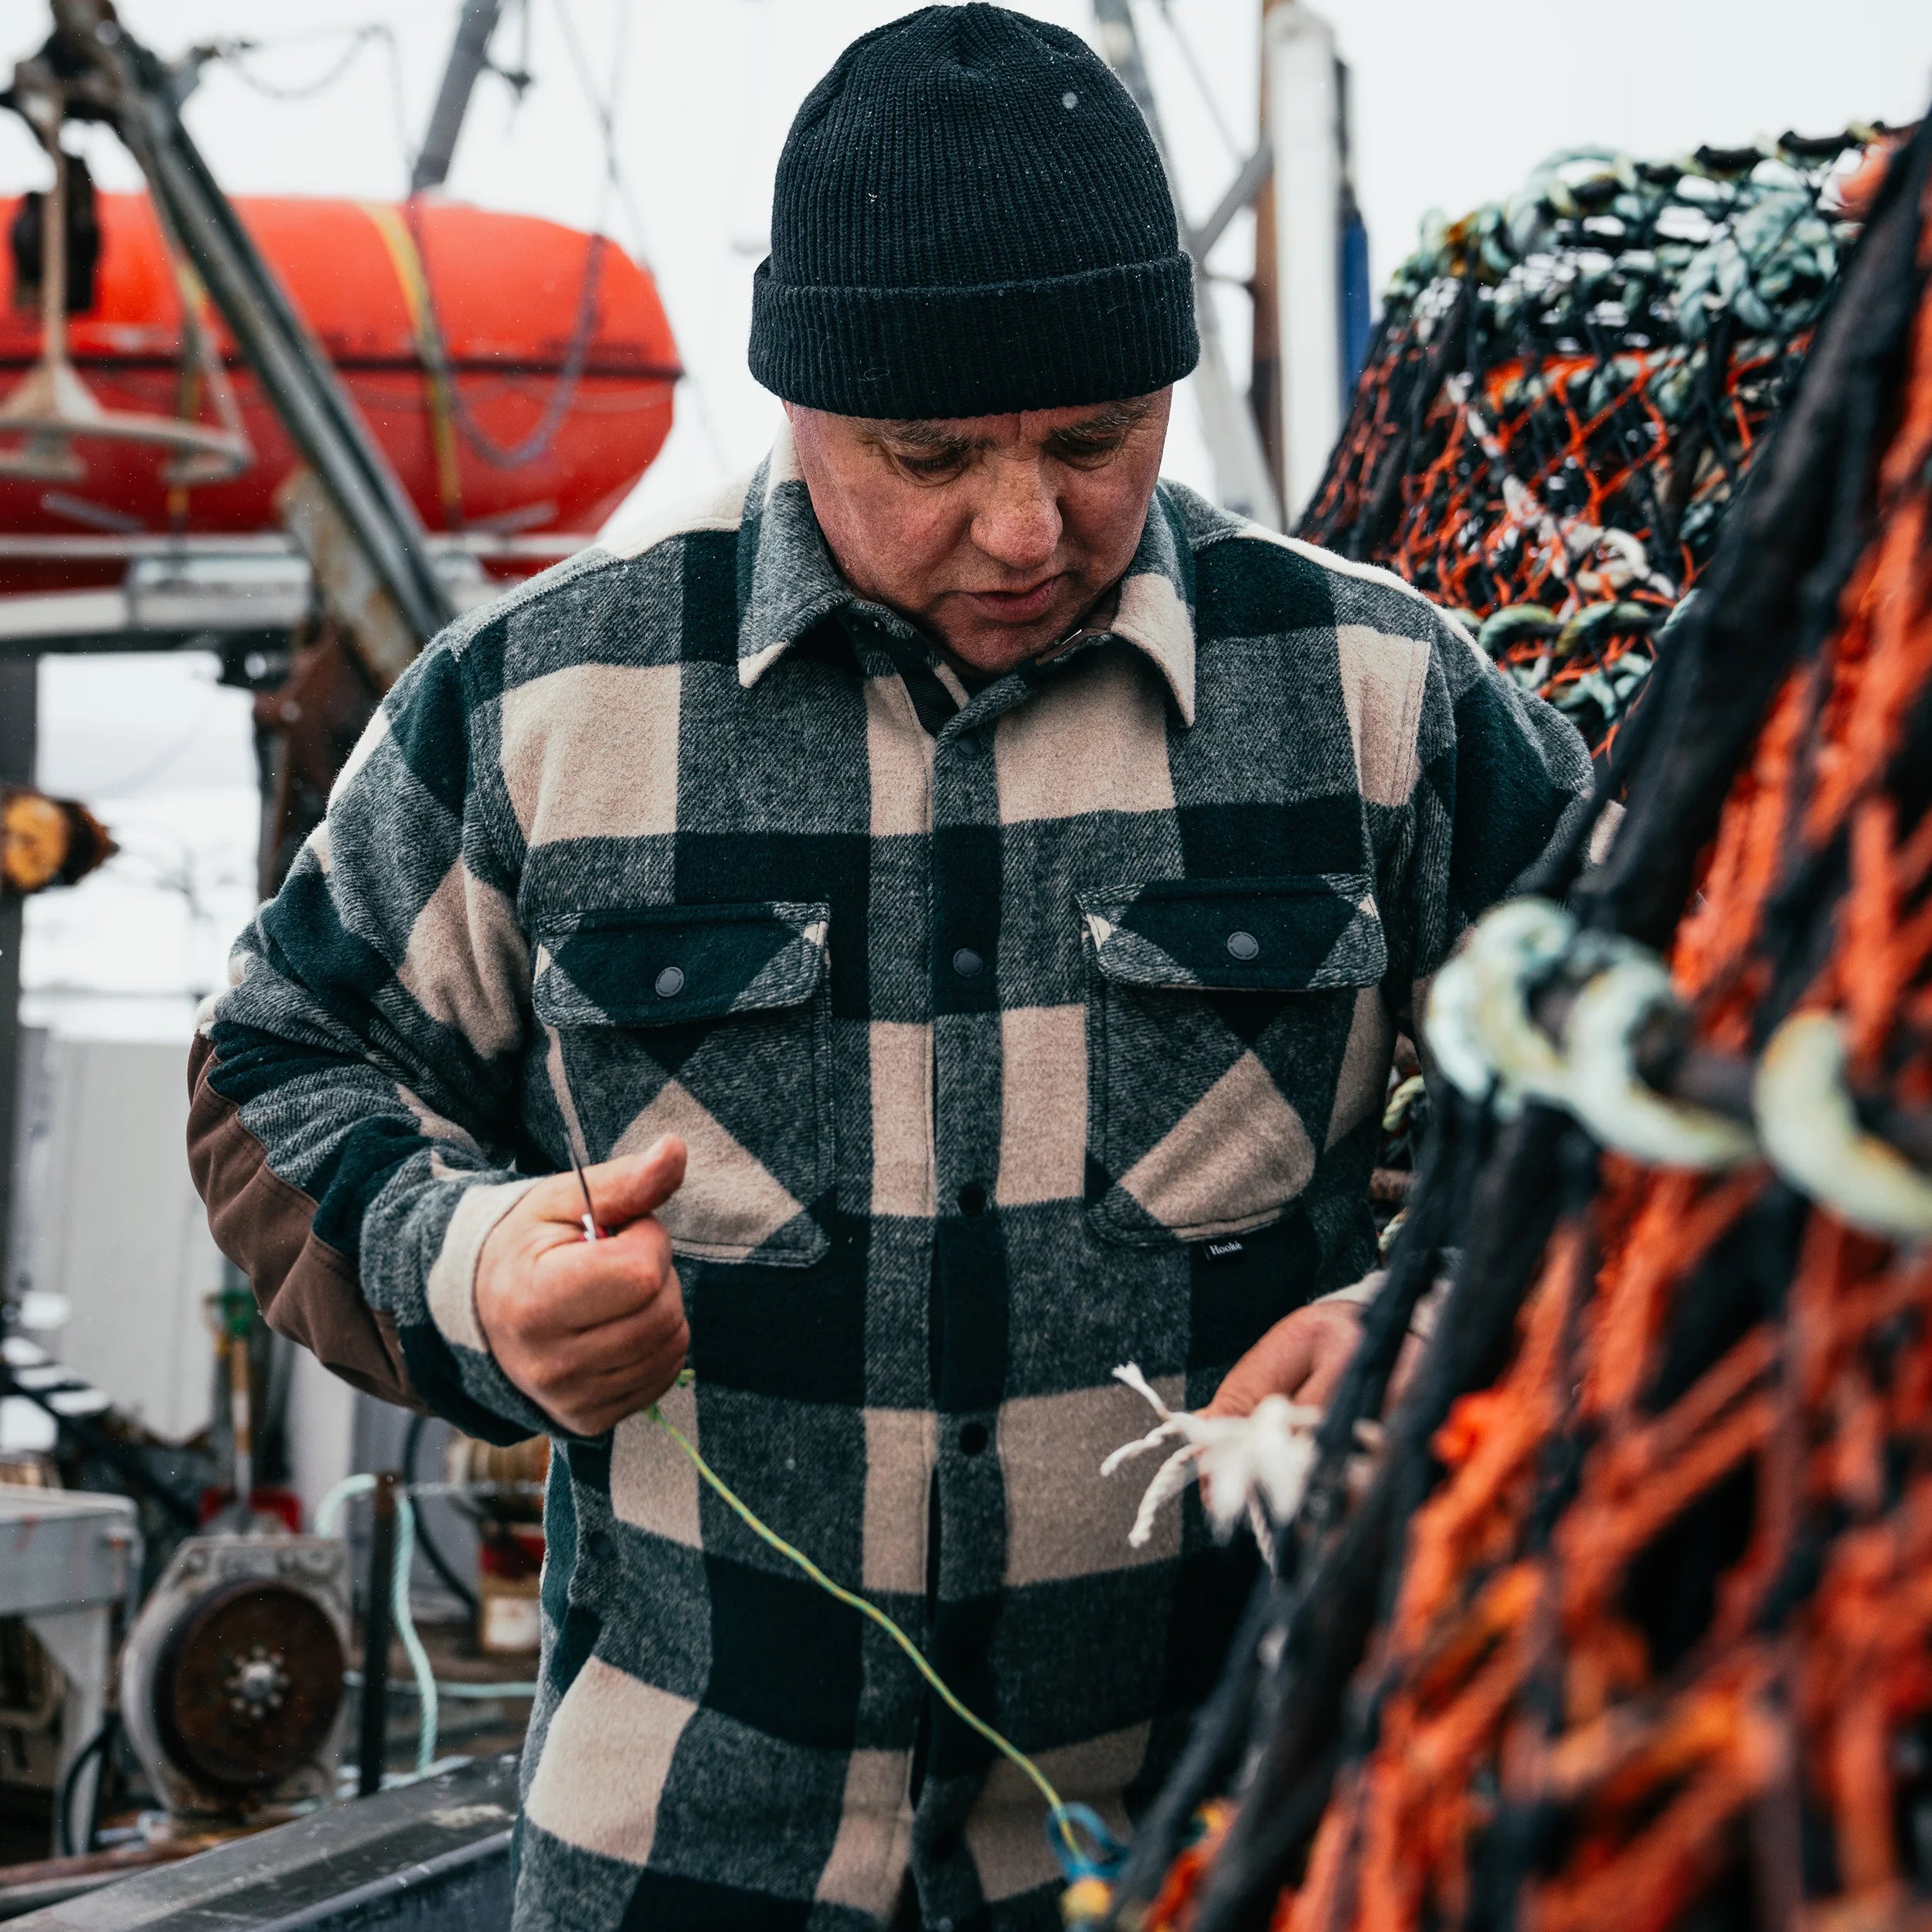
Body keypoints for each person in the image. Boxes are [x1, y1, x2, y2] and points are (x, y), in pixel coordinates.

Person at [187, 8, 1589, 1928]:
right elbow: (278, 1063)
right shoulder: (539, 706)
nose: (1024, 529)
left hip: (1234, 1848)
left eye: (1093, 440)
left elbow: (1654, 1079)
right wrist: (476, 1268)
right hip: (673, 1862)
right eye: (929, 455)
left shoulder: (1379, 702)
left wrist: (1445, 1317)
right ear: (797, 399)